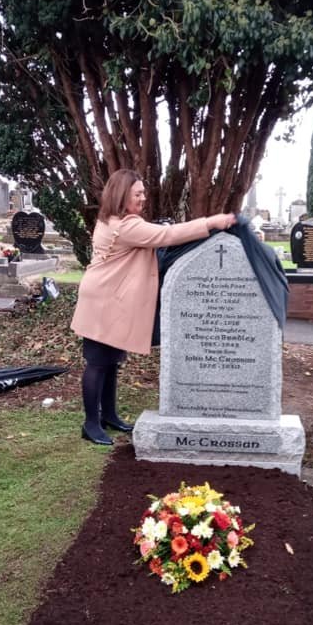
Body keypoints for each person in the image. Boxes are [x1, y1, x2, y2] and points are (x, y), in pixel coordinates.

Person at [71, 169, 236, 444]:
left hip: (110, 299)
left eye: (143, 193)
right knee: (98, 364)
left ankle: (109, 416)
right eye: (138, 194)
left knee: (110, 363)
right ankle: (91, 424)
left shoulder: (112, 220)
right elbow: (168, 235)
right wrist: (213, 222)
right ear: (122, 195)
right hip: (104, 302)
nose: (143, 198)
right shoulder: (125, 226)